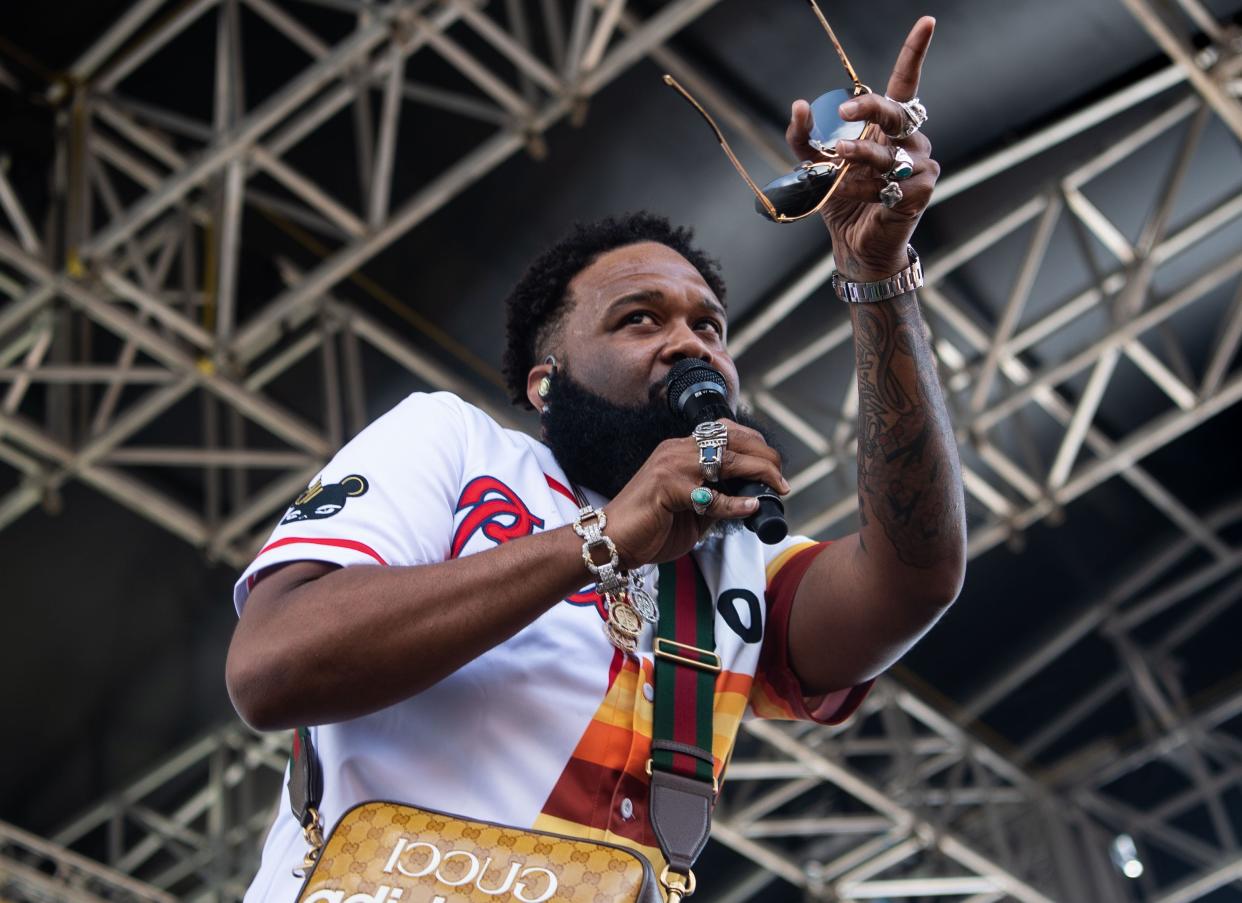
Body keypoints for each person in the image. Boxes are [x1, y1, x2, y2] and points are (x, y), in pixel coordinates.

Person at [226, 17, 964, 902]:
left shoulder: (732, 559)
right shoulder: (454, 443)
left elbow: (913, 580)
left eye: (709, 326)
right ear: (546, 382)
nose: (689, 343)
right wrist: (604, 537)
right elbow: (271, 668)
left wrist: (877, 272)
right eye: (639, 319)